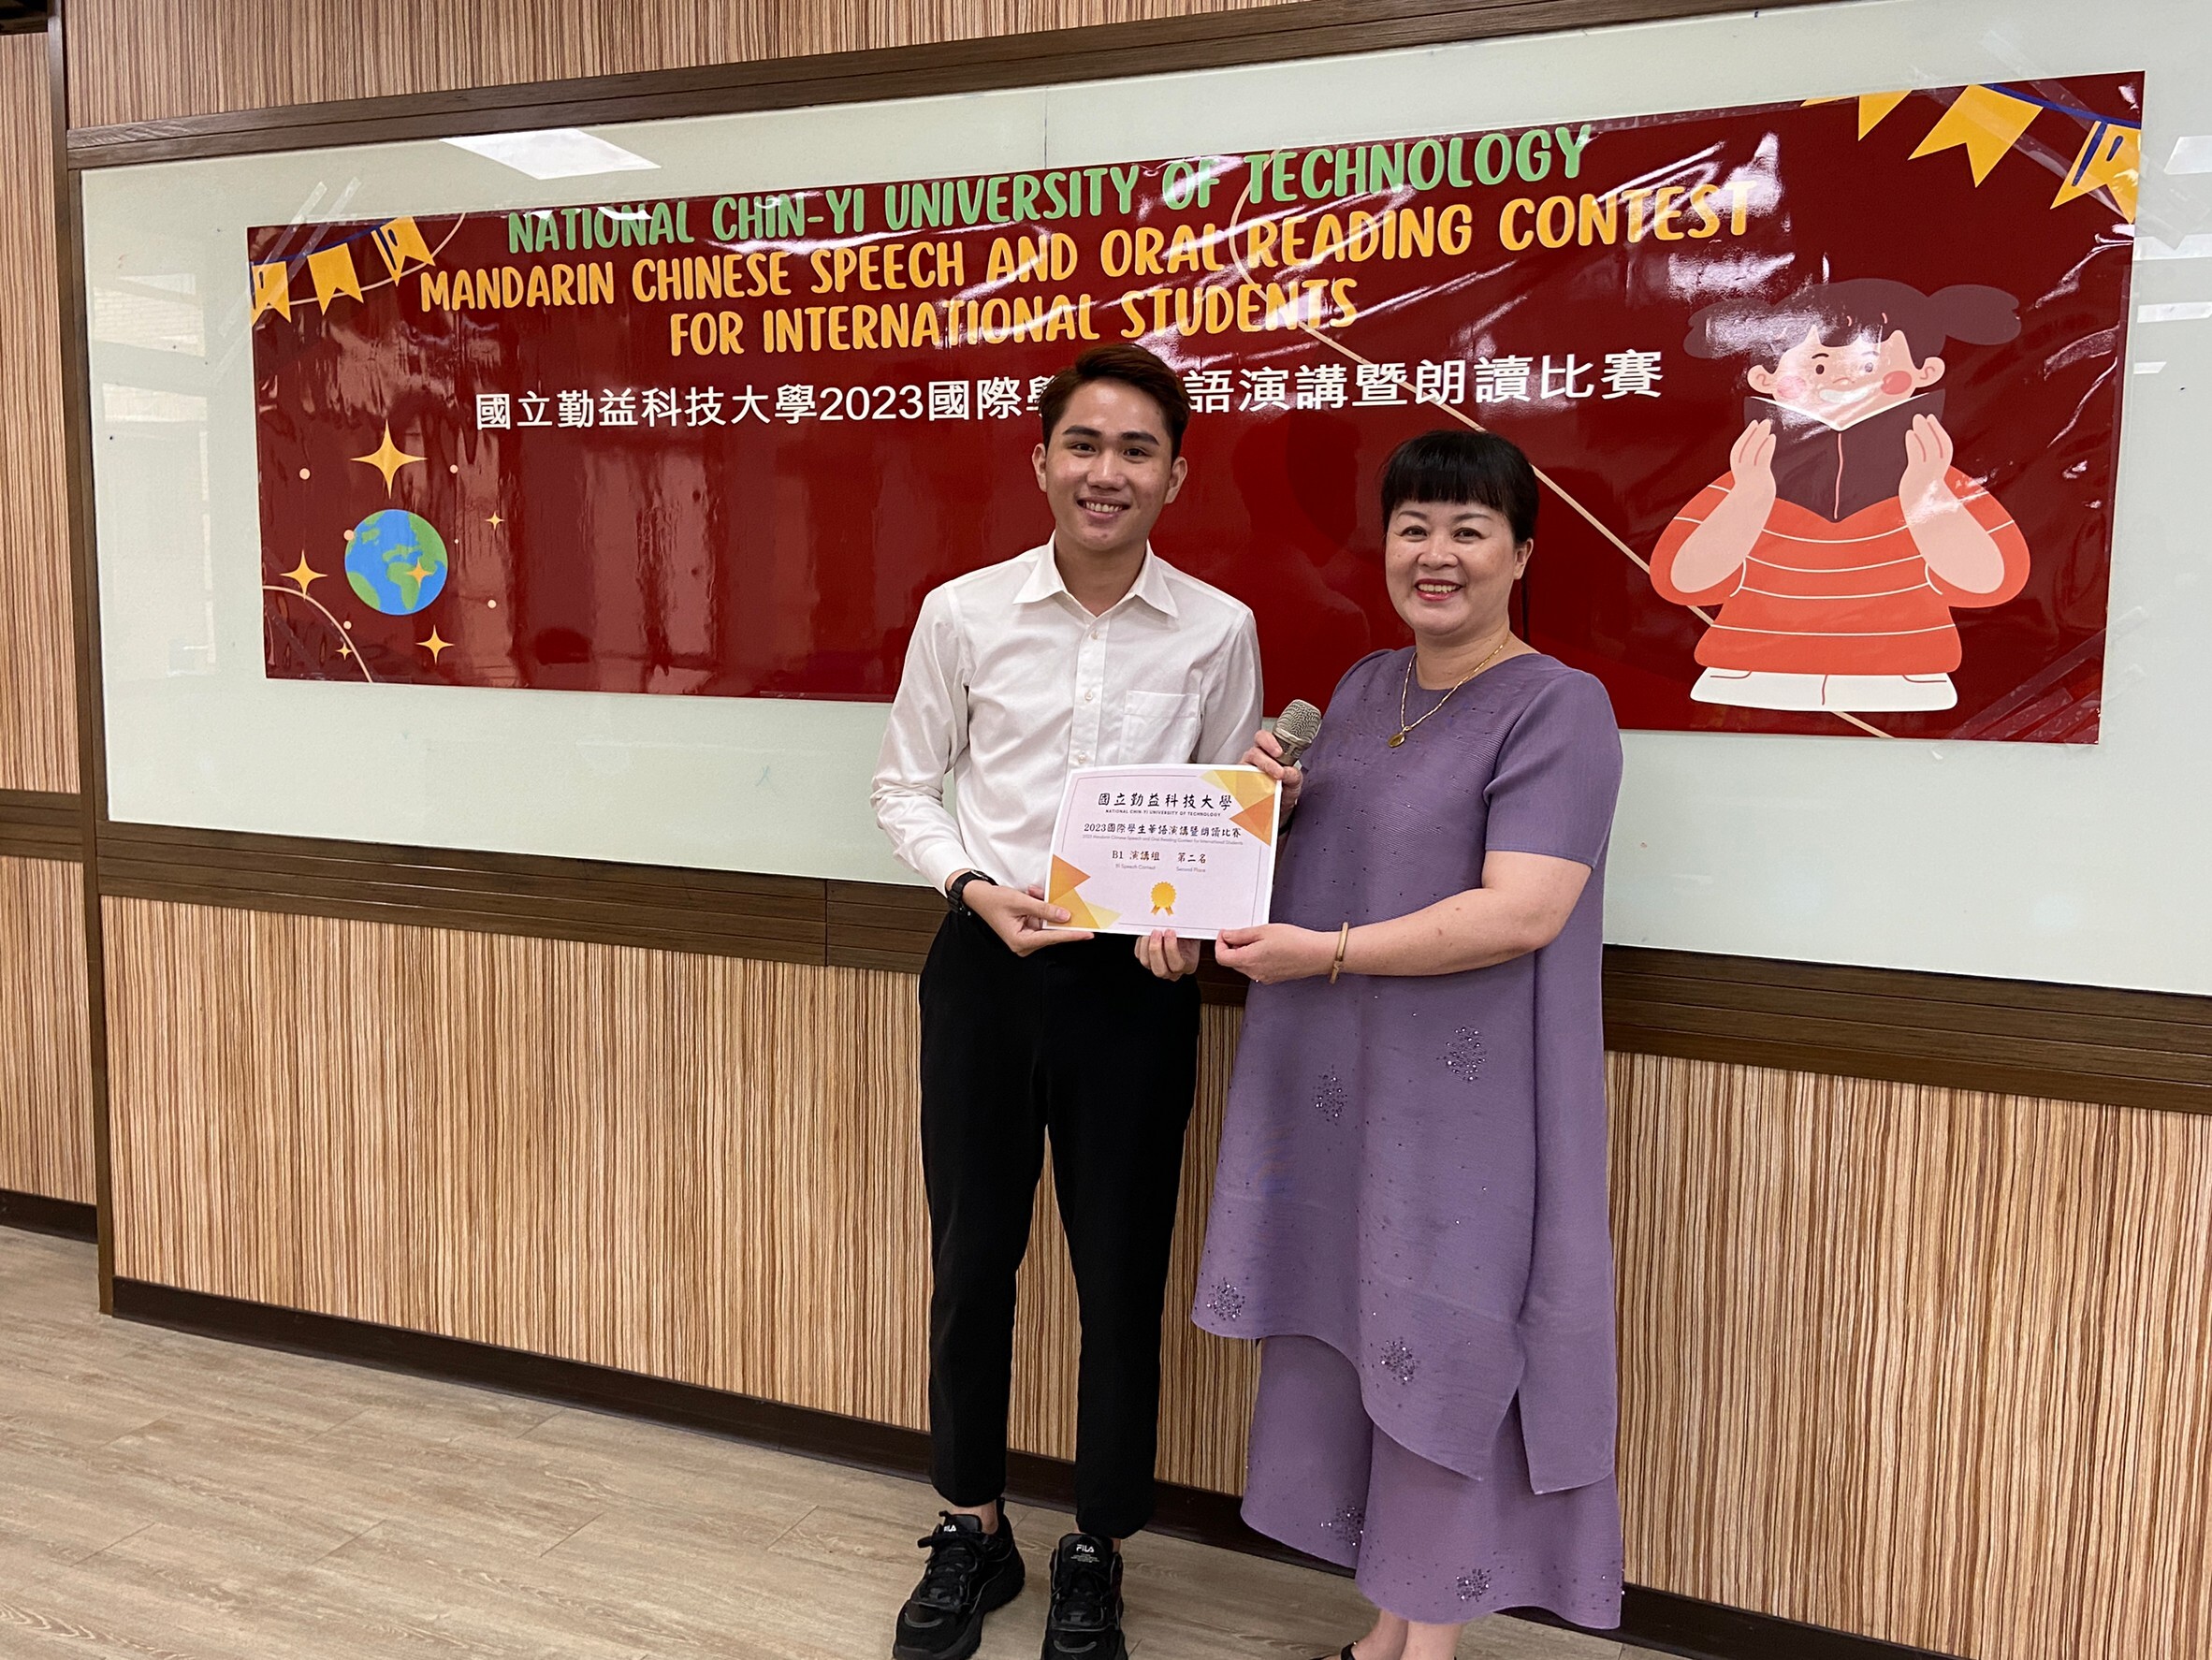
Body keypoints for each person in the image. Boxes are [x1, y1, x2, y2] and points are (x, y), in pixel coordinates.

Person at [1193, 429, 1624, 1659]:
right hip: (1350, 1101)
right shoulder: (1366, 687)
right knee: (1368, 1339)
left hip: (1471, 1111)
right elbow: (1305, 865)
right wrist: (1257, 800)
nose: (1437, 555)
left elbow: (1523, 909)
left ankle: (1423, 1650)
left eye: (1469, 530)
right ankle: (1390, 1629)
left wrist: (1325, 952)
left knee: (1443, 1345)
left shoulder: (1559, 706)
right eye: (1415, 528)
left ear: (1522, 552)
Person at [872, 342, 1262, 1660]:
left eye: (1137, 450)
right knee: (973, 1258)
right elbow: (902, 787)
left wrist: (1186, 925)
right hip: (987, 965)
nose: (1108, 471)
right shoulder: (963, 612)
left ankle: (1098, 1545)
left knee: (1119, 1272)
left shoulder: (1218, 628)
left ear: (1175, 476)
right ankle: (972, 1529)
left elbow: (1220, 820)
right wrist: (971, 883)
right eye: (1084, 445)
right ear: (1041, 461)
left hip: (1131, 994)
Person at [1652, 277, 2030, 714]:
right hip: (1751, 672)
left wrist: (1926, 498)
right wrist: (1748, 499)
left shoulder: (1936, 477)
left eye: (1871, 364)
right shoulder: (1749, 475)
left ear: (1926, 373)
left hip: (1904, 675)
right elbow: (1682, 582)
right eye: (1816, 366)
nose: (1845, 379)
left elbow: (1993, 584)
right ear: (1764, 378)